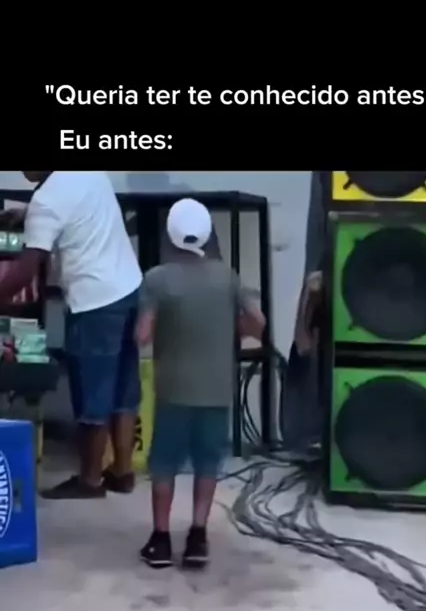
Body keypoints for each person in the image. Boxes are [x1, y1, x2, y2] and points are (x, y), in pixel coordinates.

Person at [136, 197, 265, 570]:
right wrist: (232, 329)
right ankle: (197, 537)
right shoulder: (228, 277)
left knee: (164, 463)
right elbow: (258, 322)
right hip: (217, 389)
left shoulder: (157, 279)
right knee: (208, 462)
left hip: (174, 390)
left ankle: (161, 540)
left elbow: (143, 335)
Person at [0, 172, 143, 499]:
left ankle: (89, 481)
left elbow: (24, 272)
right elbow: (73, 205)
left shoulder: (46, 201)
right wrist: (29, 215)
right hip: (128, 287)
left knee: (92, 393)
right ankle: (122, 471)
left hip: (94, 302)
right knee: (123, 388)